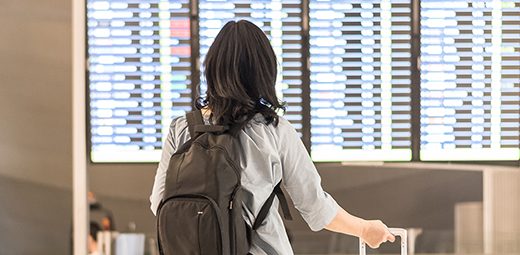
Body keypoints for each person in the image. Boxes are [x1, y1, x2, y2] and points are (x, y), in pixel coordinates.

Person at [150, 20, 395, 254]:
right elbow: (315, 207)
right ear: (264, 72)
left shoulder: (181, 128)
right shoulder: (274, 130)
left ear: (212, 68)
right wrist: (364, 229)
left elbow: (159, 203)